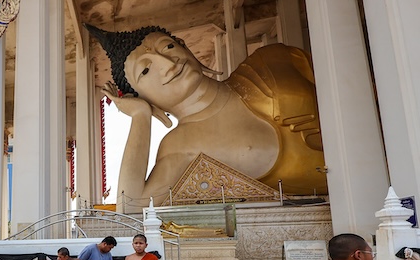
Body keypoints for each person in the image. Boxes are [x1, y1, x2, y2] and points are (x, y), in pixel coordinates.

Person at [87, 25, 326, 211]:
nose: (168, 64)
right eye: (146, 70)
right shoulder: (181, 145)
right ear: (146, 99)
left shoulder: (272, 62)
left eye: (168, 47)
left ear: (185, 47)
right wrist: (140, 117)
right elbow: (131, 206)